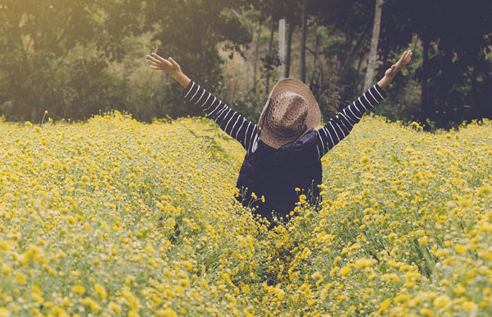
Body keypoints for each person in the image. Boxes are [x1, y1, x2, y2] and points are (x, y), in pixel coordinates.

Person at [146, 50, 412, 226]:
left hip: (254, 227)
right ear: (302, 122)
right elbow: (350, 115)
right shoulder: (316, 144)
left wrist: (178, 75)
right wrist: (385, 80)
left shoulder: (253, 137)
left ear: (270, 115)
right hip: (298, 227)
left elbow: (216, 109)